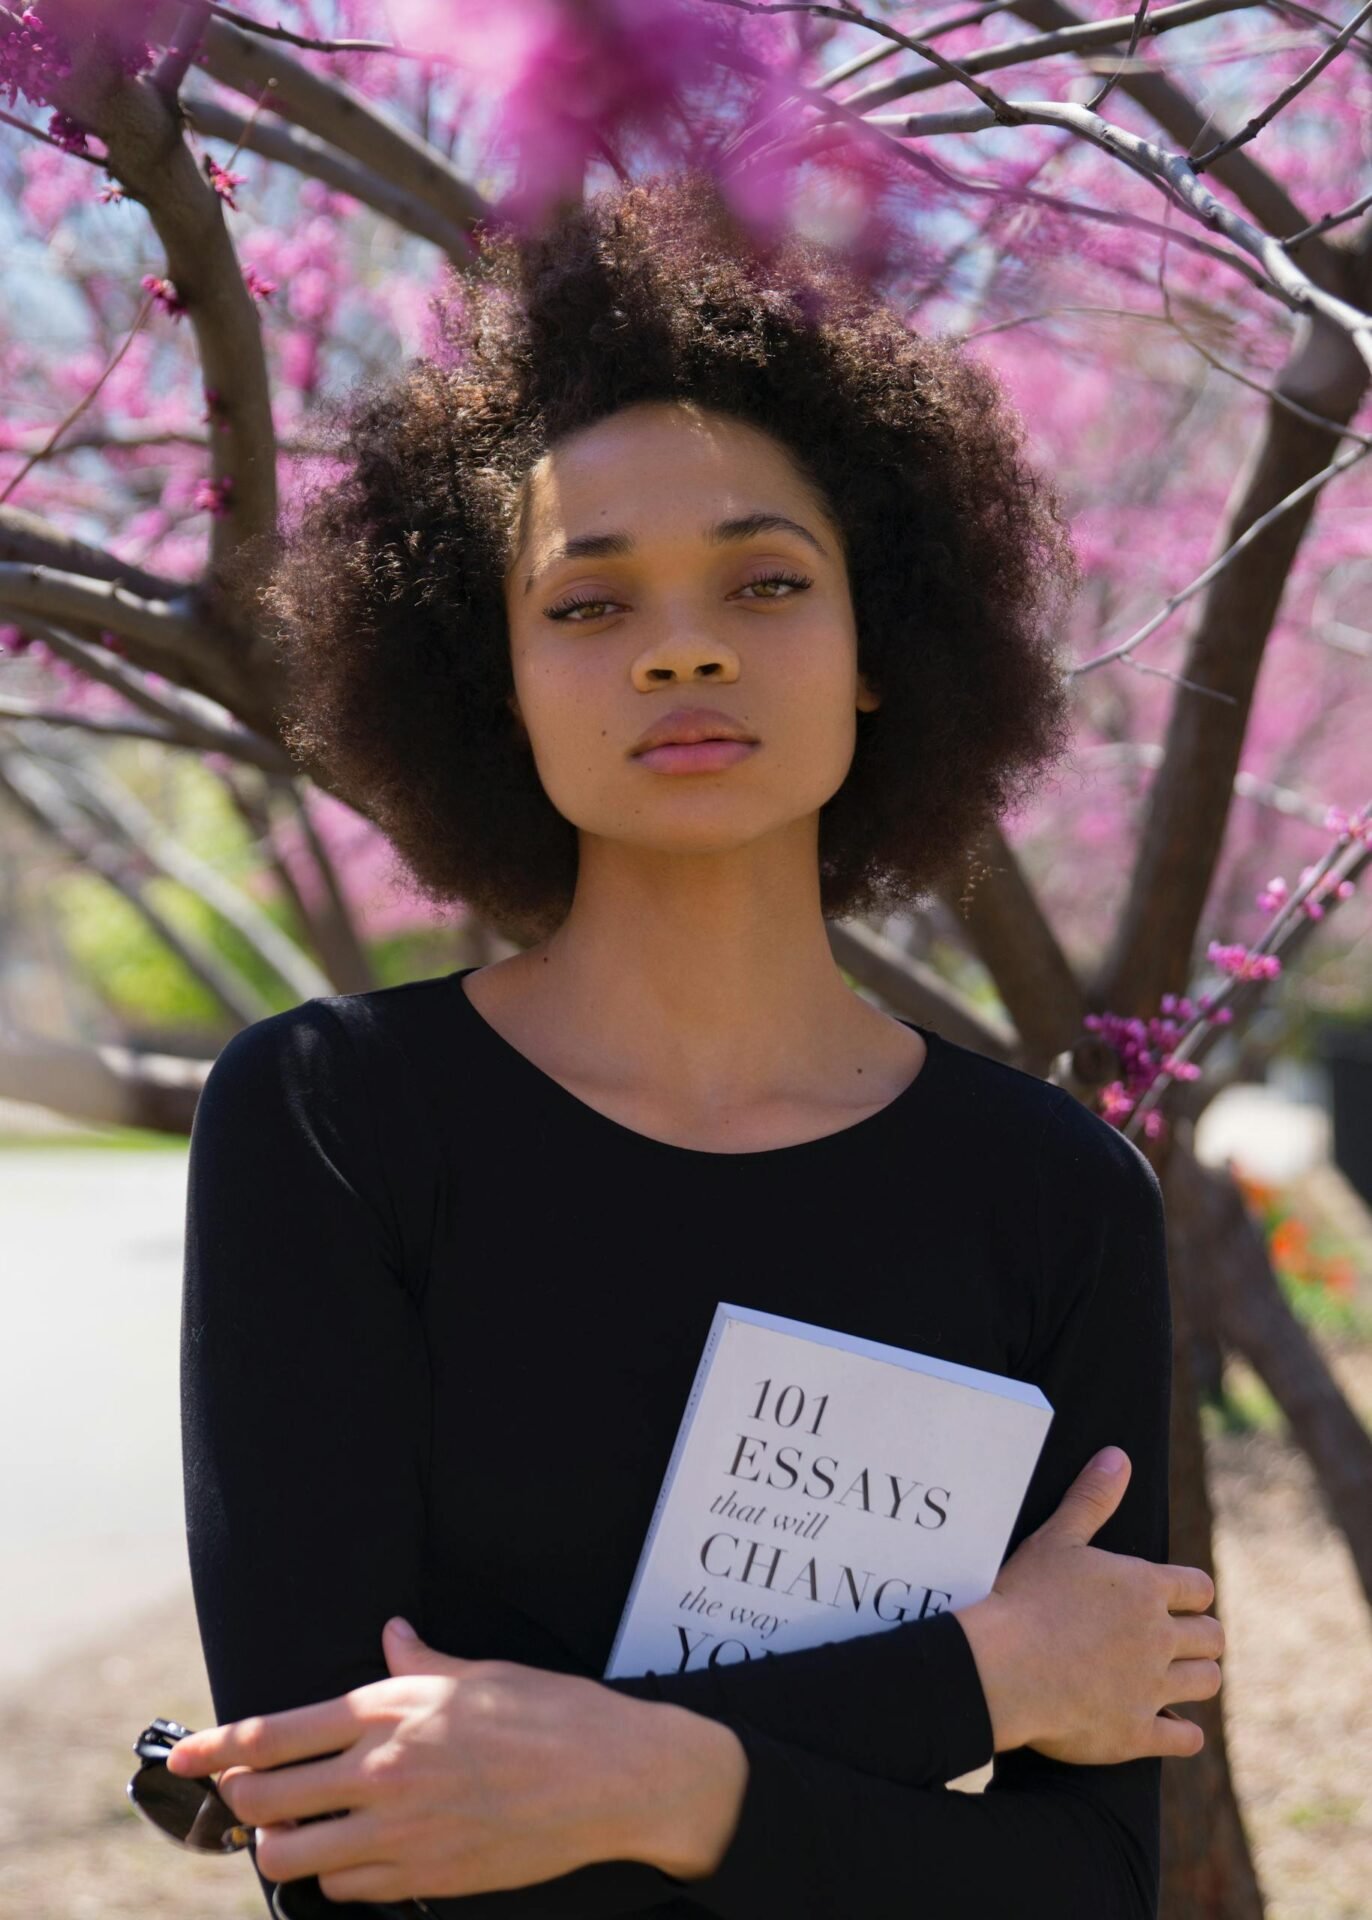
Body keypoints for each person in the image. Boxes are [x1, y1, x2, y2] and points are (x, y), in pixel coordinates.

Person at [171, 171, 1223, 1919]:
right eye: (589, 605)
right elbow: (349, 1849)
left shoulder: (1056, 1197)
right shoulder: (331, 1121)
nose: (681, 652)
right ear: (490, 676)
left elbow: (1087, 1884)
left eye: (765, 582)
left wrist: (606, 1781)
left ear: (880, 647)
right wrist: (974, 1684)